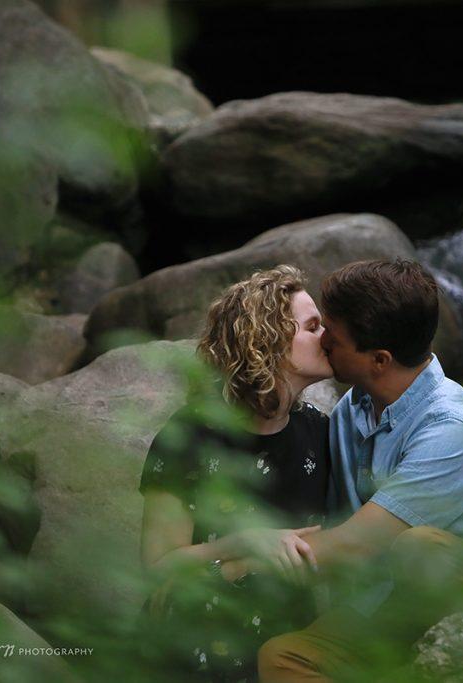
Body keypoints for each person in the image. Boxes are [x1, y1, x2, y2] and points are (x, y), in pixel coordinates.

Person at [257, 259, 463, 682]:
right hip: (392, 603)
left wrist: (227, 565)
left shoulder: (452, 427)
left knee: (420, 548)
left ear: (379, 359)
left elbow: (356, 545)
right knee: (284, 658)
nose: (322, 343)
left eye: (334, 338)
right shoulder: (349, 412)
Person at [138, 265, 334, 682]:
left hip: (287, 649)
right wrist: (244, 544)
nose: (328, 336)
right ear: (267, 340)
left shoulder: (321, 431)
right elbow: (159, 567)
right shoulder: (188, 436)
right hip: (197, 644)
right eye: (313, 326)